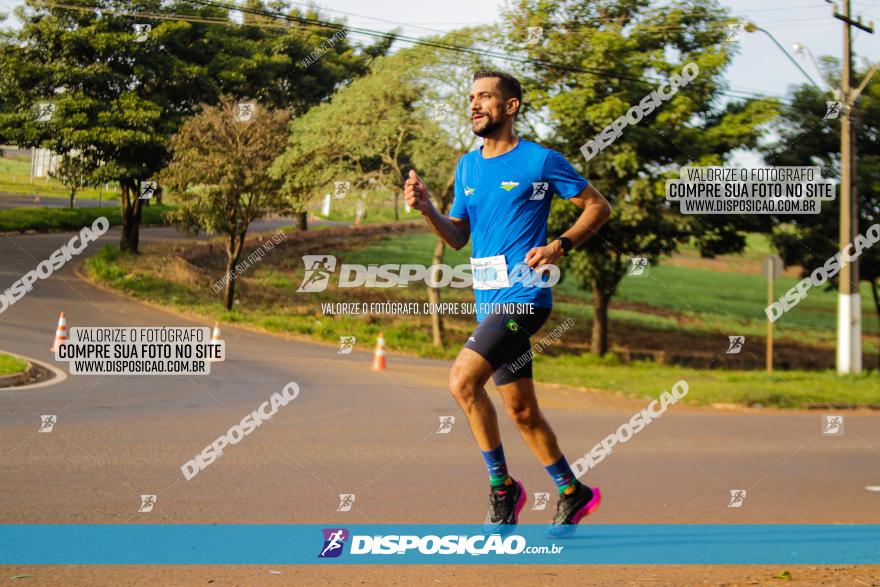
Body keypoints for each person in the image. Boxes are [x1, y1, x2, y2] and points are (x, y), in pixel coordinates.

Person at [404, 70, 612, 537]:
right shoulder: (467, 166)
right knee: (521, 411)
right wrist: (427, 209)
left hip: (524, 298)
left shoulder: (540, 161)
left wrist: (560, 244)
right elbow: (458, 235)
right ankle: (572, 490)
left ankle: (502, 489)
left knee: (461, 382)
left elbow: (598, 206)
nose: (475, 105)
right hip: (489, 303)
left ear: (511, 106)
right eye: (472, 98)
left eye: (486, 98)